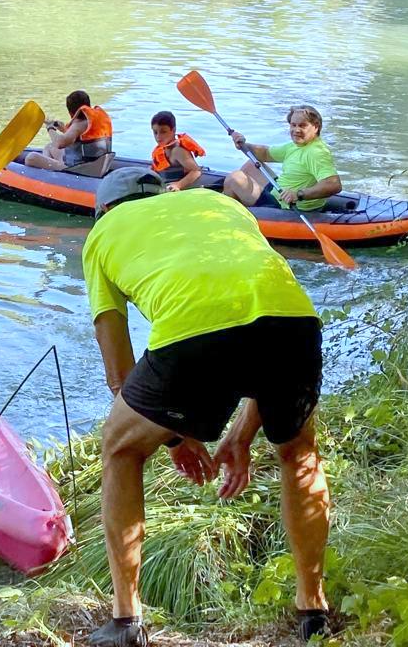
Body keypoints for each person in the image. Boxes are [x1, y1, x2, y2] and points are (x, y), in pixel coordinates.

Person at [82, 168, 330, 647]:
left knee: (120, 449)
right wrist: (240, 434)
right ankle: (312, 608)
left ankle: (125, 620)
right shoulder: (220, 204)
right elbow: (254, 312)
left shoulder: (103, 234)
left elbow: (119, 373)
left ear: (105, 210)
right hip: (295, 323)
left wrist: (172, 433)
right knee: (299, 454)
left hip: (195, 336)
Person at [222, 105, 341, 211]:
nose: (296, 130)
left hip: (287, 207)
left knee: (234, 178)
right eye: (293, 125)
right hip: (279, 192)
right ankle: (236, 202)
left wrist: (298, 194)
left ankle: (228, 213)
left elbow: (333, 185)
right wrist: (243, 144)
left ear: (315, 127)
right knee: (251, 163)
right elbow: (266, 153)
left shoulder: (316, 153)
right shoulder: (297, 145)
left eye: (302, 126)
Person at [25, 90, 112, 171]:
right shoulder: (97, 118)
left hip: (80, 170)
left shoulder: (78, 124)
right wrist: (64, 129)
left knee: (31, 157)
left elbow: (59, 143)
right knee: (49, 147)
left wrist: (50, 127)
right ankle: (49, 174)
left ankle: (49, 178)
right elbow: (82, 140)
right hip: (98, 167)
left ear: (70, 113)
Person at [149, 110, 205, 191]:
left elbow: (196, 171)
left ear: (173, 130)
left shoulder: (178, 151)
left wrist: (178, 185)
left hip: (175, 192)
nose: (158, 136)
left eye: (163, 132)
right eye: (155, 132)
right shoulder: (161, 149)